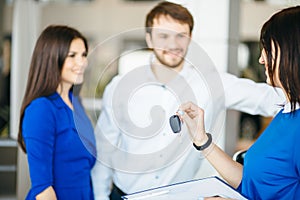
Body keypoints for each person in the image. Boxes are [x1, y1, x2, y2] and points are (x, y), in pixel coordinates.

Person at [91, 2, 285, 200]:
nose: (173, 44)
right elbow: (105, 150)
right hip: (124, 195)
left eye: (180, 36)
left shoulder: (212, 83)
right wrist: (100, 197)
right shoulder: (120, 86)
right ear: (149, 39)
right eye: (163, 36)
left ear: (190, 38)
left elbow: (272, 100)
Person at [179, 5, 300, 199]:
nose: (261, 59)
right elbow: (252, 182)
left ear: (291, 52)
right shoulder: (286, 113)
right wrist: (202, 140)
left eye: (268, 50)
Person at [18, 25, 96, 200]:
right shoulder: (41, 109)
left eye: (84, 55)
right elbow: (43, 189)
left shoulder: (76, 102)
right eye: (72, 56)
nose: (82, 62)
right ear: (51, 58)